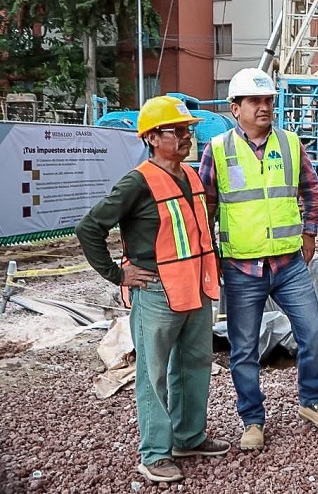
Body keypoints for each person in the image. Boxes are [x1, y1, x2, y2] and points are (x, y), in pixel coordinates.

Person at [77, 96, 229, 483]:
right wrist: (117, 274)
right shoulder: (137, 182)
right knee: (154, 374)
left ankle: (188, 437)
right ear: (150, 137)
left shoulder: (190, 175)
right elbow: (89, 228)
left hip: (195, 288)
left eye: (187, 130)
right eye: (175, 131)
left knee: (194, 366)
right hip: (157, 293)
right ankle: (155, 453)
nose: (184, 137)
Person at [199, 68, 318, 451]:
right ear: (235, 108)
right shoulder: (217, 150)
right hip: (241, 267)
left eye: (268, 101)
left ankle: (312, 401)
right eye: (255, 101)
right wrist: (209, 256)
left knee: (312, 333)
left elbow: (312, 190)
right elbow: (205, 208)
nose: (264, 108)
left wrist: (309, 231)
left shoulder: (291, 144)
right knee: (244, 349)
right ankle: (252, 420)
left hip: (288, 265)